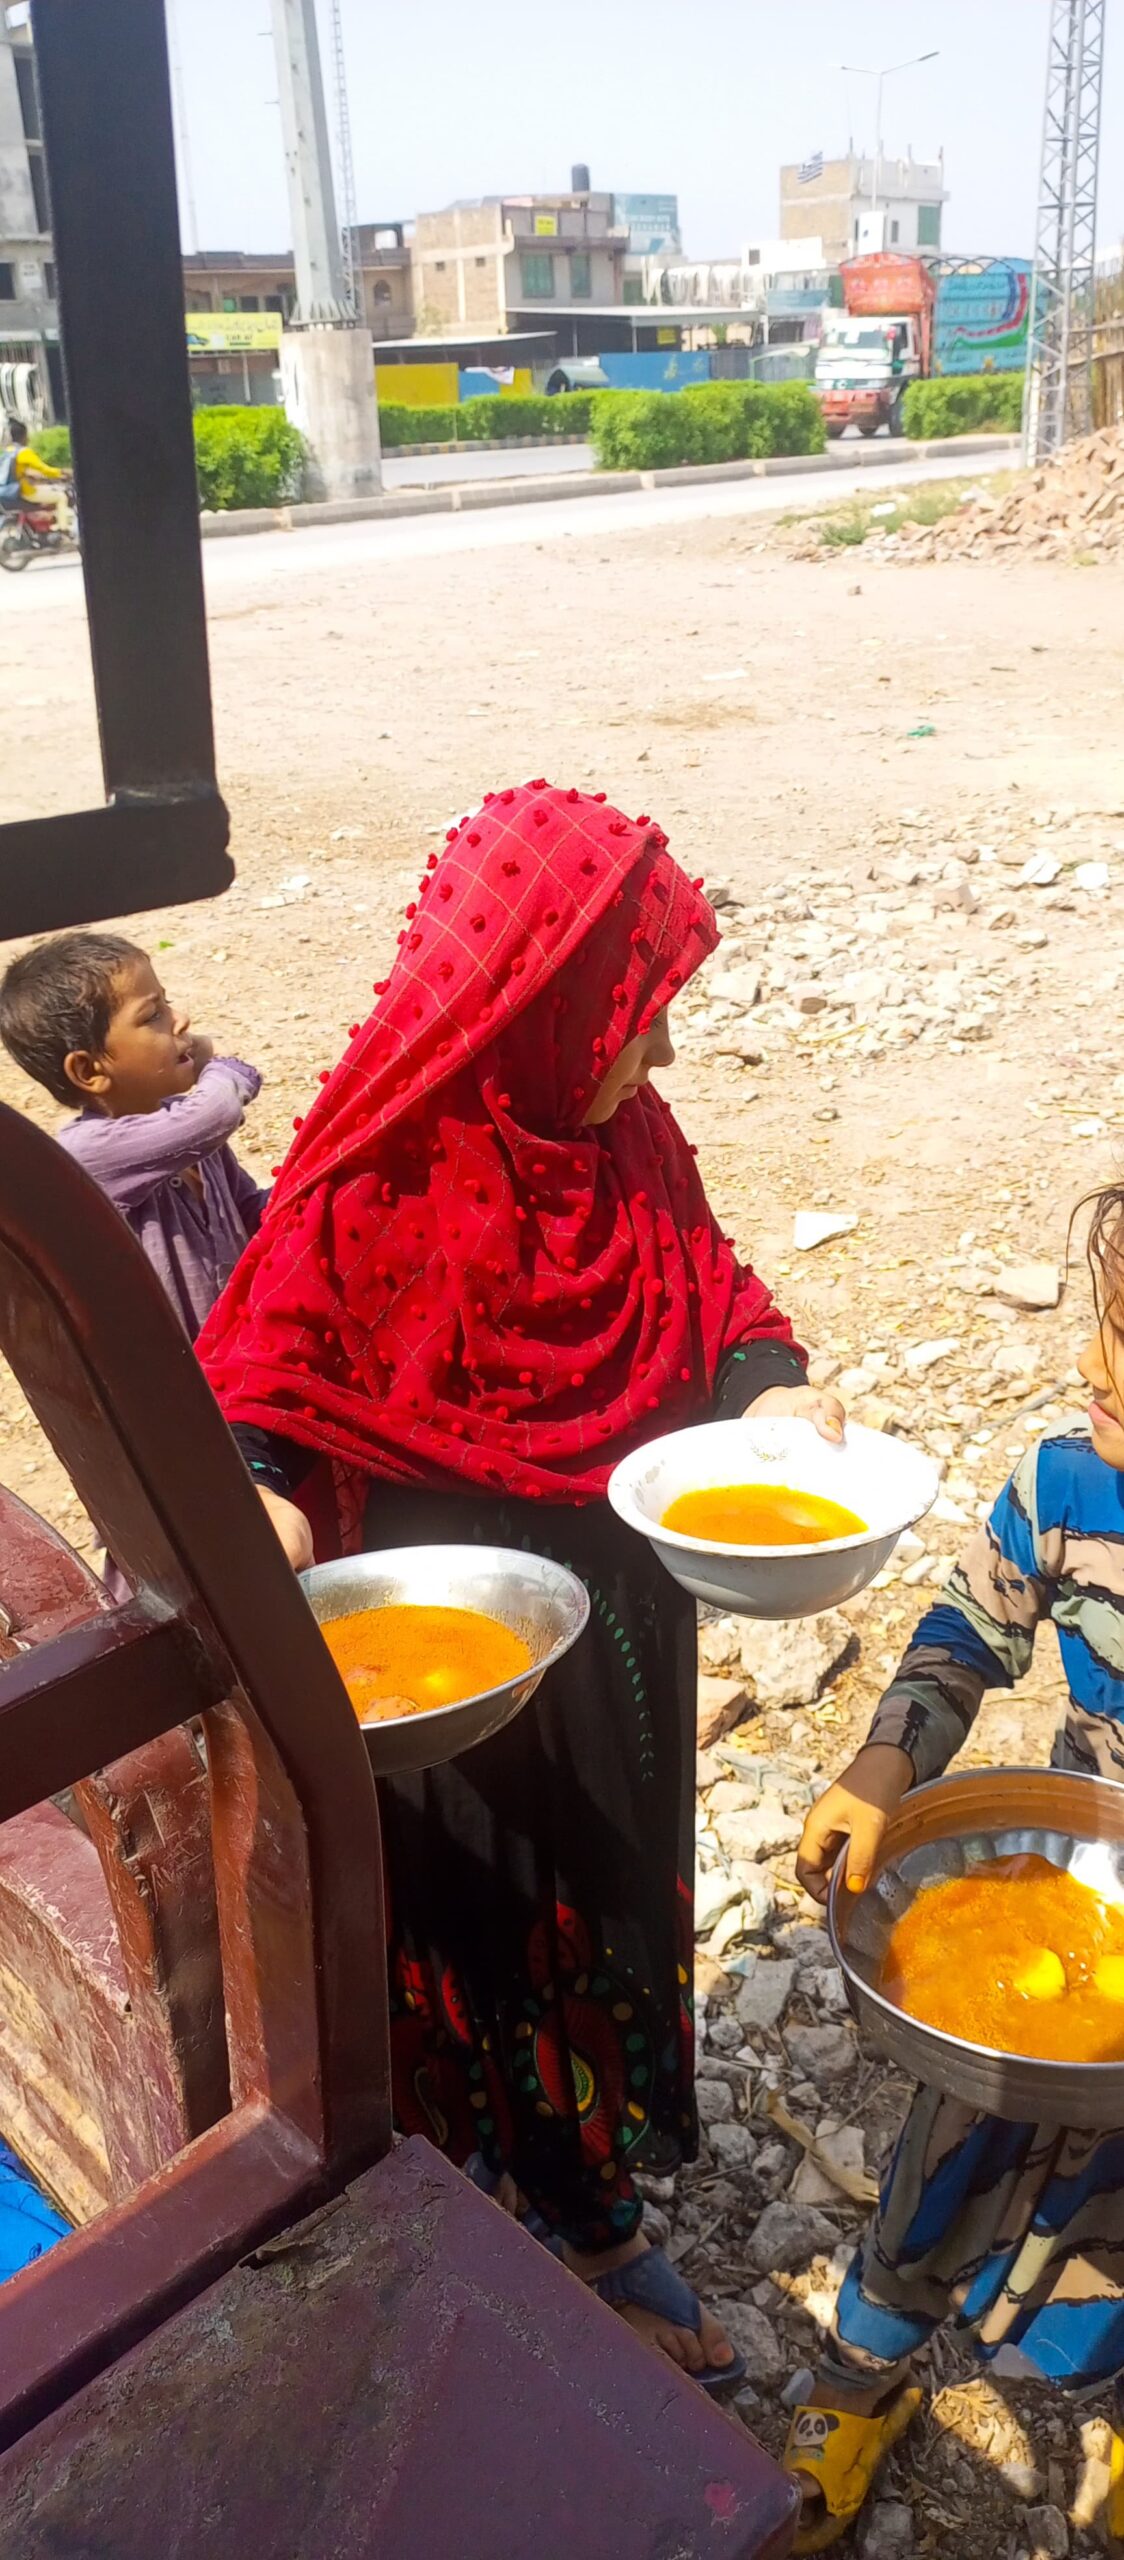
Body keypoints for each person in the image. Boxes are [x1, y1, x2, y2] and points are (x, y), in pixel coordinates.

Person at [198, 780, 845, 2392]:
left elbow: (713, 1286)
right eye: (636, 1016)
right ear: (538, 1006)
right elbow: (259, 1387)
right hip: (452, 1656)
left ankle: (591, 2200)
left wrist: (769, 1386)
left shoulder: (621, 1139)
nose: (660, 1058)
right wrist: (261, 1501)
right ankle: (473, 2182)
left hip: (619, 1623)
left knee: (606, 1896)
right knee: (471, 1920)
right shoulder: (368, 1183)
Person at [784, 1180, 1124, 2553]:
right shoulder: (1064, 1487)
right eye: (1104, 1333)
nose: (1094, 1369)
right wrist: (889, 1758)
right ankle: (857, 2382)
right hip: (1066, 1888)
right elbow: (968, 1632)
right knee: (947, 2158)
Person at [0, 930, 267, 1341]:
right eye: (152, 1015)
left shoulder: (187, 1129)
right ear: (89, 1071)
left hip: (240, 1349)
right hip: (177, 1374)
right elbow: (219, 1110)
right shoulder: (89, 1153)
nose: (181, 1019)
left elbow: (249, 1209)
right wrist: (221, 1067)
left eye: (167, 1002)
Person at [4, 416, 67, 527]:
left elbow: (18, 470)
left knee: (48, 489)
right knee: (61, 496)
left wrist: (29, 475)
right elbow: (45, 469)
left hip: (9, 491)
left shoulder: (8, 451)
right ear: (24, 436)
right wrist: (61, 472)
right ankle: (63, 528)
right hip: (24, 491)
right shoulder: (24, 452)